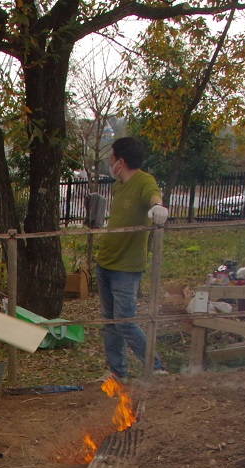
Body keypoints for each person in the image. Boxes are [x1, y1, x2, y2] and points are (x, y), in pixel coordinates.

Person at [97, 136, 171, 379]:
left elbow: (153, 195)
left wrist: (158, 207)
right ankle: (118, 372)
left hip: (126, 268)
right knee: (110, 322)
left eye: (111, 157)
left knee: (125, 322)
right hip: (106, 261)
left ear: (121, 160)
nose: (110, 162)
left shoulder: (143, 181)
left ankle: (157, 367)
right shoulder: (117, 186)